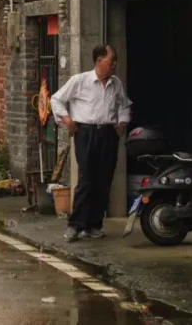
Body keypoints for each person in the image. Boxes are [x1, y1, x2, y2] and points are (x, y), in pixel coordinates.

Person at [50, 43, 132, 242]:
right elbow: (56, 99)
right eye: (111, 60)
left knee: (104, 180)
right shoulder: (80, 80)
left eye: (115, 61)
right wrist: (67, 120)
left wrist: (122, 123)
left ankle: (94, 225)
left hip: (108, 133)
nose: (114, 65)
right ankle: (75, 225)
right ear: (99, 61)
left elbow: (124, 105)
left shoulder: (116, 83)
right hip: (86, 132)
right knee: (86, 179)